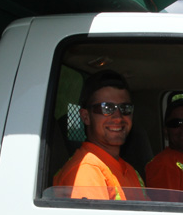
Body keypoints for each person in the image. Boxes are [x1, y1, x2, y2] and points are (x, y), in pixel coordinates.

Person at [53, 70, 144, 200]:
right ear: (86, 117)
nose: (118, 117)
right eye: (106, 108)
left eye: (125, 108)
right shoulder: (87, 171)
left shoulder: (129, 170)